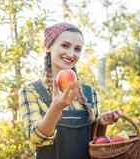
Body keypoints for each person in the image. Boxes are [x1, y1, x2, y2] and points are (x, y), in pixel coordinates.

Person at [20, 22, 121, 159]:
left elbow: (95, 140)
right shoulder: (32, 91)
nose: (71, 53)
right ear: (48, 47)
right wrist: (56, 108)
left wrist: (102, 122)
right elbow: (36, 139)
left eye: (77, 49)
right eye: (65, 45)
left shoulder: (89, 92)